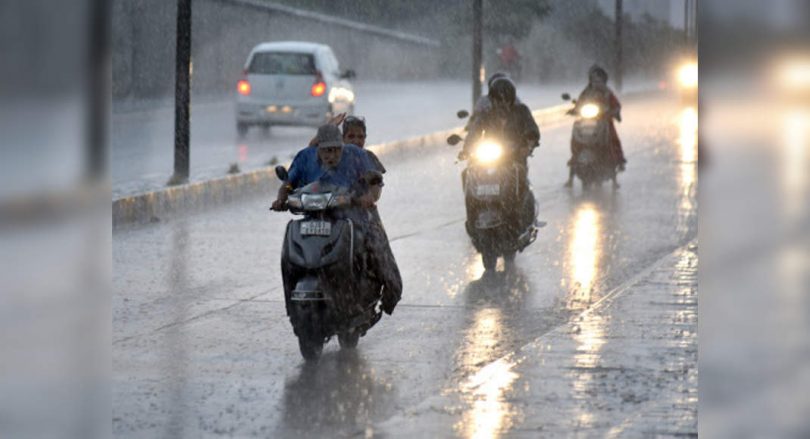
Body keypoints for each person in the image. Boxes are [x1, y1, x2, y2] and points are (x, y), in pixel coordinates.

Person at [272, 124, 401, 315]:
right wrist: (281, 199)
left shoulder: (356, 155)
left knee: (375, 246)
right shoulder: (305, 157)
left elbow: (374, 182)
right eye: (326, 150)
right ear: (318, 149)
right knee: (287, 258)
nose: (331, 155)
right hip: (313, 219)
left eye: (335, 150)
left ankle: (391, 292)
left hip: (353, 219)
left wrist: (369, 197)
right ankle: (291, 305)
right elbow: (288, 184)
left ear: (342, 147)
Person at [461, 77, 540, 231]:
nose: (502, 103)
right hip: (489, 161)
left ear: (511, 99)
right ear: (493, 100)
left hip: (514, 160)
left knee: (519, 176)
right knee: (468, 174)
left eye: (505, 99)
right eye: (498, 99)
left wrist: (528, 144)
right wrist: (467, 149)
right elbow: (474, 132)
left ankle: (519, 216)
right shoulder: (486, 115)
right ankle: (472, 216)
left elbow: (532, 130)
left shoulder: (521, 112)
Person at [565, 64, 626, 189]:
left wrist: (613, 111)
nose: (596, 82)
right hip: (586, 122)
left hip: (603, 122)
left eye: (599, 80)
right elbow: (580, 103)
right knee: (575, 139)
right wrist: (574, 109)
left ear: (603, 80)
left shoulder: (607, 93)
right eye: (593, 79)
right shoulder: (586, 92)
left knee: (611, 140)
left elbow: (616, 105)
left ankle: (614, 173)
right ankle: (572, 171)